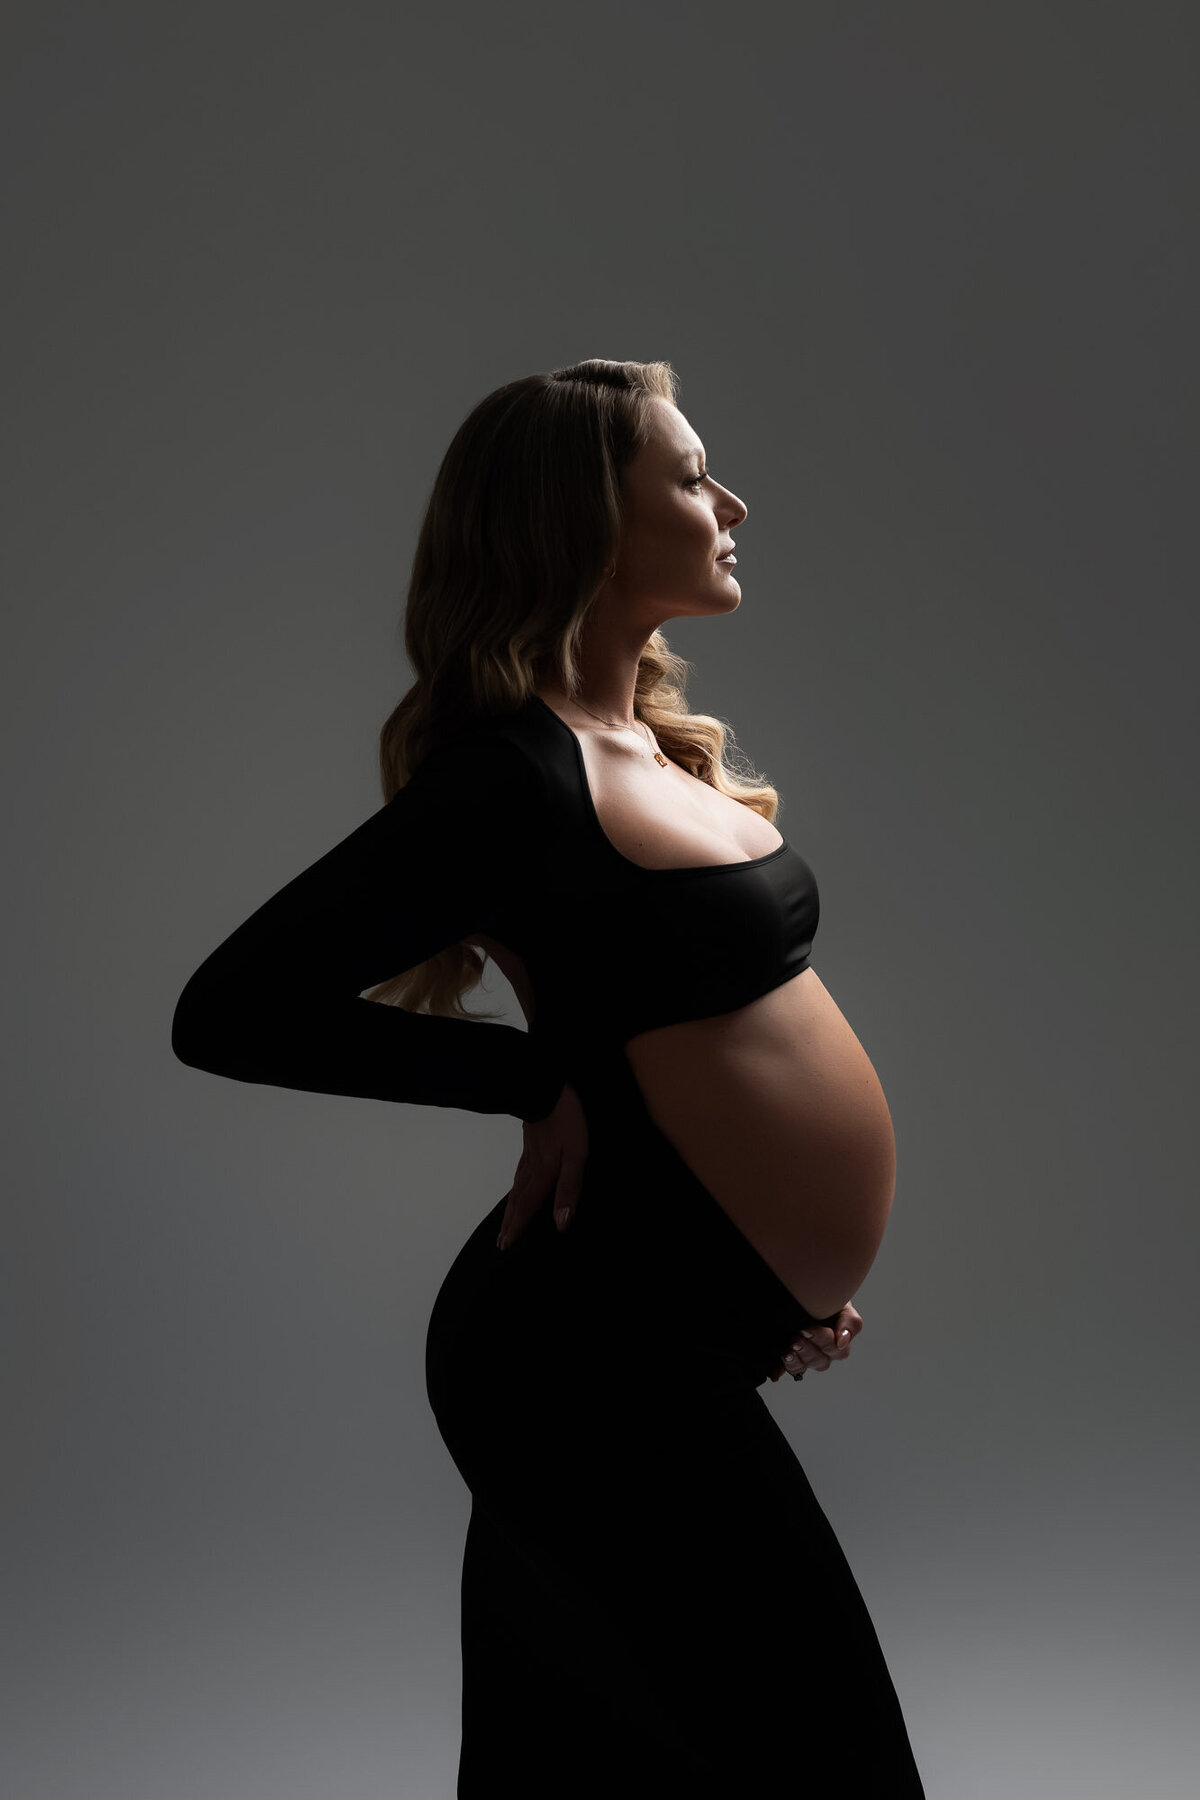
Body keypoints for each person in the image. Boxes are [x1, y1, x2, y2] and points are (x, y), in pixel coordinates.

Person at [171, 358, 926, 1795]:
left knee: (567, 1755)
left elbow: (692, 1067)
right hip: (583, 1357)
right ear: (585, 520)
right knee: (827, 1756)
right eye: (695, 477)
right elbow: (232, 1011)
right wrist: (526, 1081)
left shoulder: (643, 742)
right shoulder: (512, 780)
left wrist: (780, 1282)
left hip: (665, 1323)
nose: (733, 502)